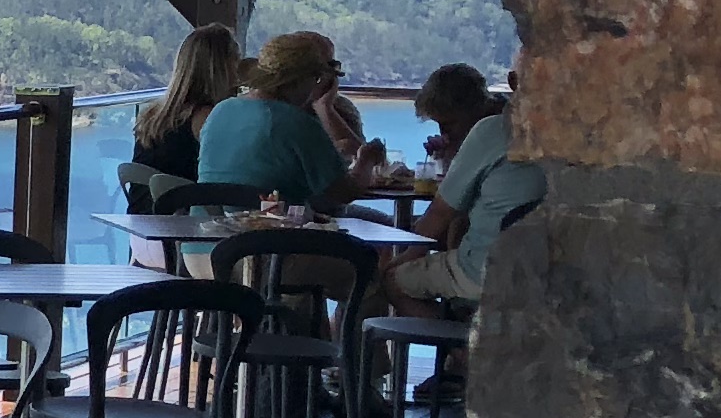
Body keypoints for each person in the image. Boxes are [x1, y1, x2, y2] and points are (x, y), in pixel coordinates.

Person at [387, 63, 540, 313]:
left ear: (472, 109)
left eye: (448, 125)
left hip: (487, 270)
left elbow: (440, 214)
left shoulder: (491, 130)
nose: (443, 133)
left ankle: (459, 347)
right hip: (544, 270)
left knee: (394, 281)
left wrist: (402, 260)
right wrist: (451, 157)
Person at [197, 30, 392, 212]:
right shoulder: (297, 123)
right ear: (299, 80)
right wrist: (366, 160)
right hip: (269, 242)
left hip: (198, 239)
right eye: (315, 78)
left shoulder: (221, 110)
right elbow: (343, 193)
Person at [127, 26, 244, 204]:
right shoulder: (207, 118)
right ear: (223, 67)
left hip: (141, 223)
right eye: (237, 61)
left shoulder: (152, 115)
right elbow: (231, 173)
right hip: (182, 222)